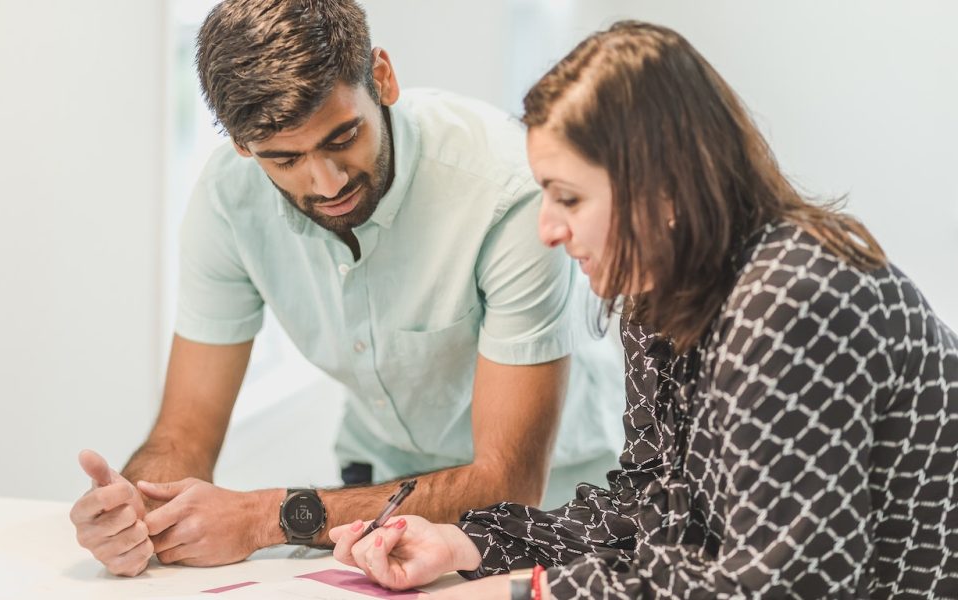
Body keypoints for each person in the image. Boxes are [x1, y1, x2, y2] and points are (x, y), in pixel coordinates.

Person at [329, 20, 958, 599]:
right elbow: (649, 511)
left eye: (569, 198)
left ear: (664, 191)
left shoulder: (791, 298)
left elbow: (788, 584)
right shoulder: (656, 299)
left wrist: (542, 592)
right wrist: (463, 546)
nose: (547, 229)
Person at [68, 0, 626, 578]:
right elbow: (183, 431)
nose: (327, 182)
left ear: (382, 77)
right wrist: (135, 509)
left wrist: (267, 516)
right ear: (241, 145)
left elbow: (507, 483)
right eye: (285, 159)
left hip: (560, 510)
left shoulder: (506, 193)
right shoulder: (228, 200)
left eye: (343, 137)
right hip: (375, 502)